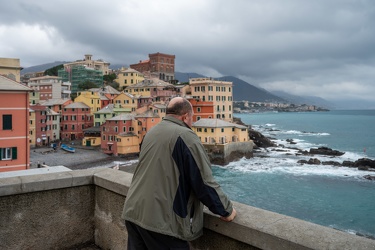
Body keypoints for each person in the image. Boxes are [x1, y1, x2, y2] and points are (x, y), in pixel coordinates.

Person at [122, 97, 237, 249]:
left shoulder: (152, 132)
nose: (192, 123)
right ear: (186, 116)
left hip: (133, 212)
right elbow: (204, 181)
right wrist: (226, 210)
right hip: (161, 221)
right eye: (192, 118)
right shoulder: (186, 136)